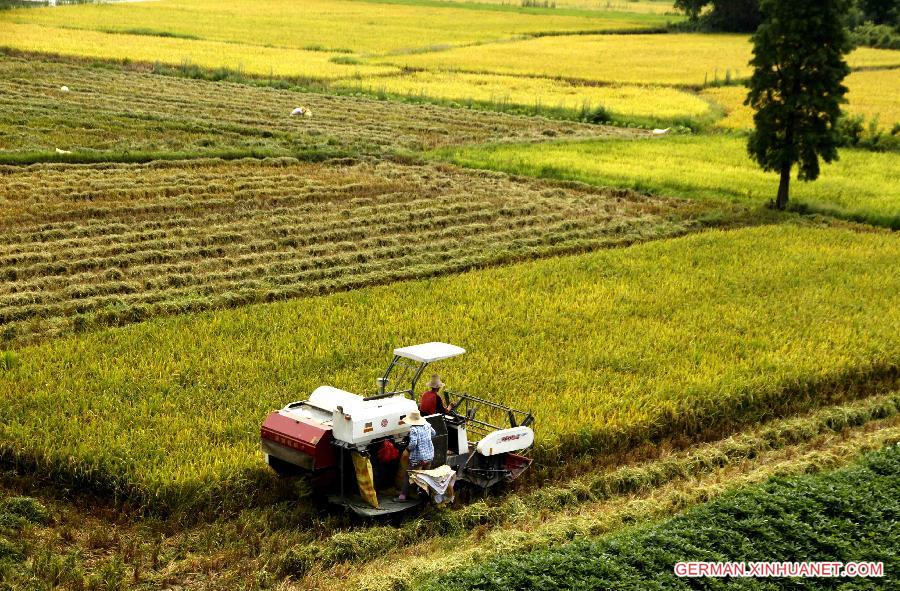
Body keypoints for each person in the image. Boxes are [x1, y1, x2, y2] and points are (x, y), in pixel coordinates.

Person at [394, 410, 435, 501]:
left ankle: (402, 497)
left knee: (408, 475)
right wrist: (425, 441)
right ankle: (424, 496)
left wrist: (407, 449)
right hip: (429, 456)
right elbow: (434, 433)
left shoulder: (414, 429)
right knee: (424, 477)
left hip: (418, 458)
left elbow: (413, 443)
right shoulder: (427, 425)